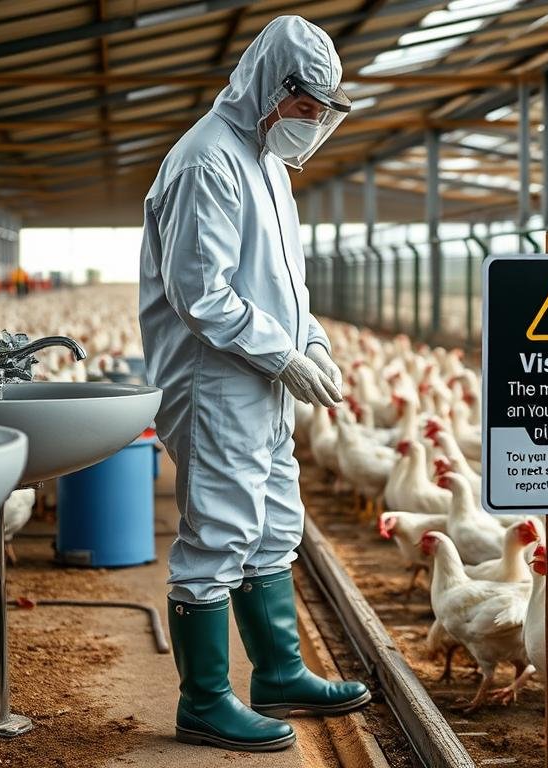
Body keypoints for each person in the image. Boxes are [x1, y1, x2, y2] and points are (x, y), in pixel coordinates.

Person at [138, 16, 369, 752]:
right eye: (307, 108)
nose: (314, 125)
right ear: (275, 89)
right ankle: (204, 701)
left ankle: (279, 671)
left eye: (322, 113)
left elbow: (283, 284)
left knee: (273, 525)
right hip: (216, 381)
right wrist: (282, 355)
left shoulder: (267, 161)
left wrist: (314, 343)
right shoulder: (209, 161)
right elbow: (201, 293)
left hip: (263, 377)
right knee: (219, 534)